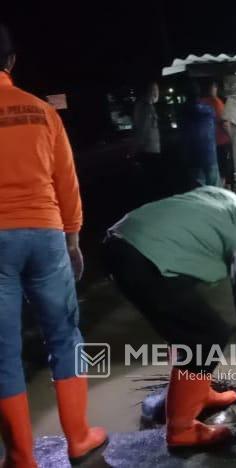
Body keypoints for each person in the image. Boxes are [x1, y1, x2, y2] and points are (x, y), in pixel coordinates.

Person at [103, 187, 236, 447]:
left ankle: (198, 392)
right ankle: (181, 429)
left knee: (189, 327)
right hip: (141, 258)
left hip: (123, 240)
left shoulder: (225, 198)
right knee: (207, 336)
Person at [0, 25, 107, 467]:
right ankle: (79, 437)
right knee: (65, 334)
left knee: (2, 350)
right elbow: (67, 181)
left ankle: (21, 457)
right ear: (11, 62)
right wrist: (73, 239)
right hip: (46, 233)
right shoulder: (42, 112)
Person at [179, 80, 220, 187]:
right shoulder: (209, 110)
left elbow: (183, 136)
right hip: (210, 155)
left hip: (193, 157)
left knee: (199, 192)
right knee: (214, 190)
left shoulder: (183, 112)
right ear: (199, 94)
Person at [200, 80, 233, 188]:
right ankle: (223, 192)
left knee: (209, 173)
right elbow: (224, 123)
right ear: (215, 88)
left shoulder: (199, 102)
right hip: (221, 143)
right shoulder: (216, 102)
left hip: (206, 144)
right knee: (223, 172)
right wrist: (232, 137)